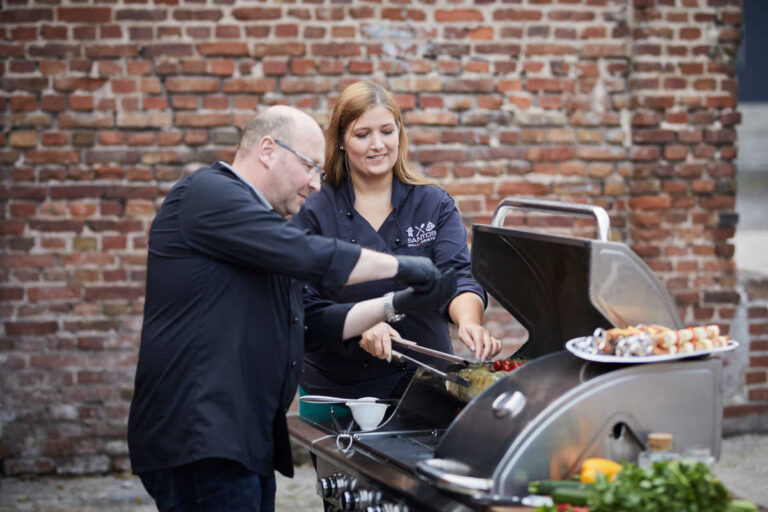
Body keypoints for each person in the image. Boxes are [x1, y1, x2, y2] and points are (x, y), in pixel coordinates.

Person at [127, 105, 457, 512]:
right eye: (309, 167)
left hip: (242, 443)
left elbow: (311, 323)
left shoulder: (256, 229)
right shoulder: (205, 195)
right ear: (268, 149)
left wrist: (396, 303)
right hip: (200, 440)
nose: (316, 185)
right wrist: (405, 266)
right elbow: (307, 253)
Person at [295, 81, 502, 409]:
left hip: (427, 384)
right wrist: (359, 323)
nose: (377, 145)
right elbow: (302, 304)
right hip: (338, 391)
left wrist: (469, 322)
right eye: (363, 134)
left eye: (386, 131)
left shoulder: (433, 203)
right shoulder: (313, 207)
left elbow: (459, 276)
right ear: (340, 142)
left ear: (399, 135)